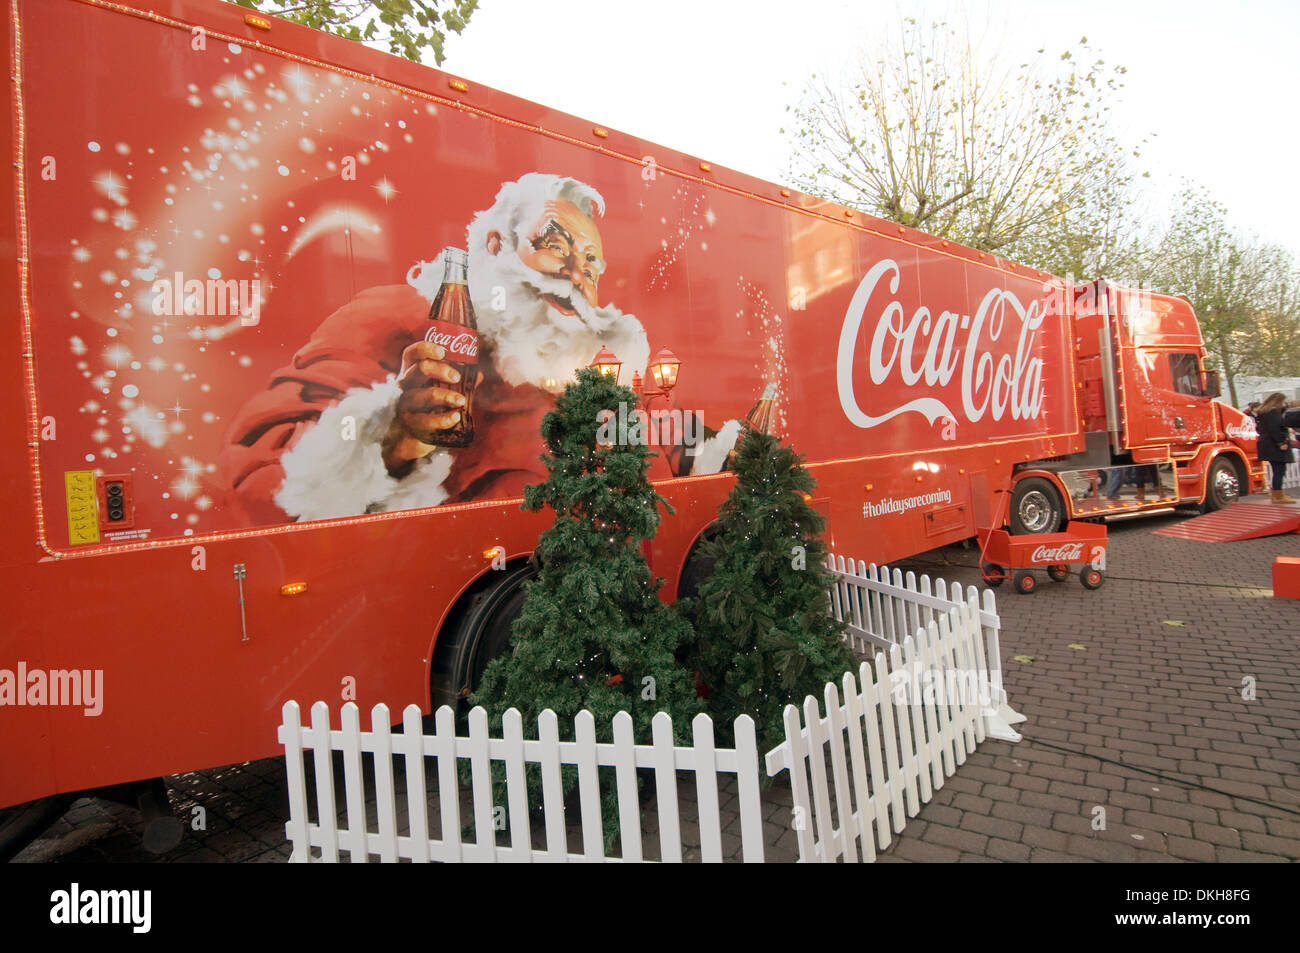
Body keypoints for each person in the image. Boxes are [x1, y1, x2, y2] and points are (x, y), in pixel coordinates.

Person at [220, 173, 742, 524]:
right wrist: (395, 439)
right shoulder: (404, 316)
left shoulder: (591, 364)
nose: (578, 275)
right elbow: (261, 480)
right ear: (496, 246)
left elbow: (654, 442)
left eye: (591, 262)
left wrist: (713, 454)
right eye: (555, 246)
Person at [1252, 392, 1293, 504]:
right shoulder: (1273, 412)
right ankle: (1278, 495)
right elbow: (1275, 428)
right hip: (1274, 444)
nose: (1285, 404)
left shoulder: (1262, 413)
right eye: (1284, 402)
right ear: (1278, 401)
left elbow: (1259, 429)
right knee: (1279, 470)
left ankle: (1278, 494)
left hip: (1266, 444)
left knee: (1276, 469)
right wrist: (1281, 442)